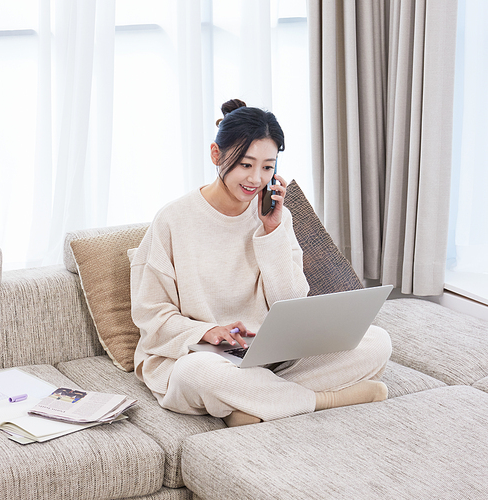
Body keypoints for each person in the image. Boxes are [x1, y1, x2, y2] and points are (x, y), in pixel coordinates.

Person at [130, 99, 392, 427]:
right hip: (198, 355)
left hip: (271, 356)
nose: (255, 178)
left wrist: (272, 233)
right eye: (245, 164)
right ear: (216, 155)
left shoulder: (275, 218)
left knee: (377, 341)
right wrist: (208, 331)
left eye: (267, 167)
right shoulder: (173, 221)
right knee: (197, 374)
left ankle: (251, 404)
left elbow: (291, 303)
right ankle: (324, 400)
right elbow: (150, 315)